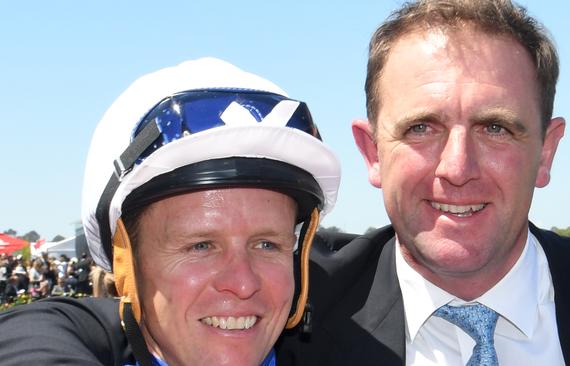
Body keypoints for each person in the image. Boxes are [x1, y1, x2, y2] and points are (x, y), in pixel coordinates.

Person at [276, 0, 570, 365]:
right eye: (421, 128)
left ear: (546, 152)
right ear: (373, 152)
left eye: (495, 128)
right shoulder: (282, 306)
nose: (457, 168)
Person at [0, 57, 340, 366]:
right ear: (127, 267)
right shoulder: (54, 338)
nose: (243, 284)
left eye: (267, 244)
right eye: (201, 245)